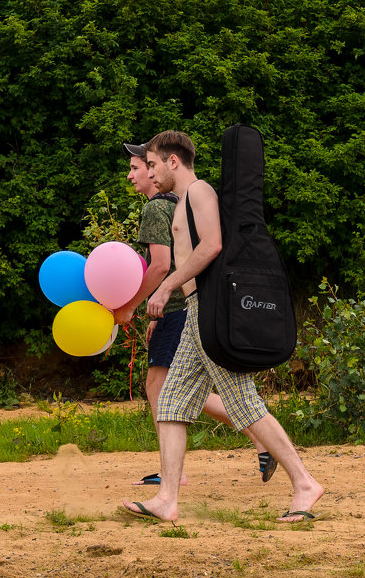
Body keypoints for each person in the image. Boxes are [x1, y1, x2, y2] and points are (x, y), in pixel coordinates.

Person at [119, 131, 323, 524]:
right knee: (172, 404)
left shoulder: (198, 193)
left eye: (154, 164)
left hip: (208, 311)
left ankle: (304, 482)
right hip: (196, 311)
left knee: (242, 402)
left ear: (173, 162)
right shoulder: (181, 201)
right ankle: (167, 499)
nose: (149, 171)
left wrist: (167, 286)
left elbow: (211, 245)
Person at [113, 142, 275, 486]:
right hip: (183, 307)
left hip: (185, 308)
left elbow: (162, 265)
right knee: (179, 394)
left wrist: (140, 305)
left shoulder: (163, 205)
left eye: (142, 166)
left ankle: (282, 461)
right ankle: (171, 485)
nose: (135, 174)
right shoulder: (178, 201)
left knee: (173, 389)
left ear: (165, 164)